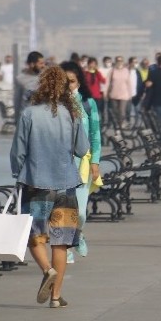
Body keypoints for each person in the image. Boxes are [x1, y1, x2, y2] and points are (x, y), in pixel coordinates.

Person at [10, 66, 89, 308]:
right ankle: (55, 297)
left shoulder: (29, 114)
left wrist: (18, 174)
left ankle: (47, 270)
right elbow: (82, 149)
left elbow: (18, 152)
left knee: (35, 237)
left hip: (36, 183)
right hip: (66, 185)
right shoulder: (72, 114)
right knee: (61, 242)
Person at [60, 61, 101, 264]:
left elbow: (95, 134)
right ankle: (65, 248)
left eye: (73, 81)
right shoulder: (56, 104)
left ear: (79, 81)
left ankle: (78, 233)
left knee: (81, 212)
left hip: (82, 163)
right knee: (62, 209)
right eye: (65, 82)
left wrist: (95, 161)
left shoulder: (88, 103)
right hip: (60, 163)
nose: (69, 86)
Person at [107, 56, 132, 128]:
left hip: (124, 95)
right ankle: (116, 123)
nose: (119, 62)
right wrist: (106, 93)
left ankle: (121, 124)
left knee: (122, 111)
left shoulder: (126, 71)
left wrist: (130, 94)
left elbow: (129, 83)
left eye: (121, 60)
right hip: (113, 94)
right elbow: (108, 83)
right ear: (115, 61)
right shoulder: (112, 71)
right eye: (118, 60)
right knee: (115, 111)